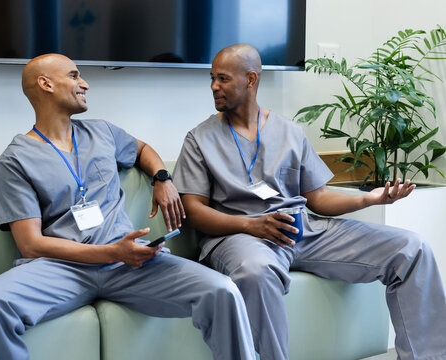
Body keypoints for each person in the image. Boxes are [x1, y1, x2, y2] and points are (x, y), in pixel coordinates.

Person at [0, 53, 256, 360]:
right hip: (62, 268)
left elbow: (142, 149)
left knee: (223, 291)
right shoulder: (14, 160)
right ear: (45, 84)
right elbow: (31, 244)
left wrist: (162, 178)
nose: (85, 84)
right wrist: (111, 252)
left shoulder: (102, 132)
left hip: (128, 264)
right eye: (75, 76)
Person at [173, 44, 446, 360]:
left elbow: (317, 198)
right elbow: (193, 211)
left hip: (303, 230)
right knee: (255, 272)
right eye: (211, 79)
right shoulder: (200, 138)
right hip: (240, 236)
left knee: (412, 248)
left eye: (222, 79)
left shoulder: (289, 131)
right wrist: (253, 225)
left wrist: (368, 200)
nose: (214, 87)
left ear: (250, 80)